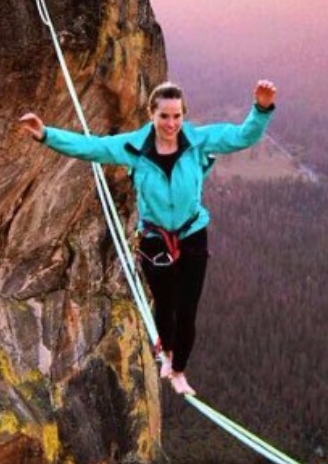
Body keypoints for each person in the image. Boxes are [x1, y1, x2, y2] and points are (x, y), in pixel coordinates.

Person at [18, 79, 277, 396]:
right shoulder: (133, 147)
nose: (171, 123)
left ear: (184, 115)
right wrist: (46, 135)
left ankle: (178, 369)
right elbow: (93, 148)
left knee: (187, 309)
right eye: (164, 116)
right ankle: (165, 350)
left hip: (193, 234)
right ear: (151, 115)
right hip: (154, 240)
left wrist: (261, 109)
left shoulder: (198, 141)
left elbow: (242, 137)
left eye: (177, 116)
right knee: (164, 304)